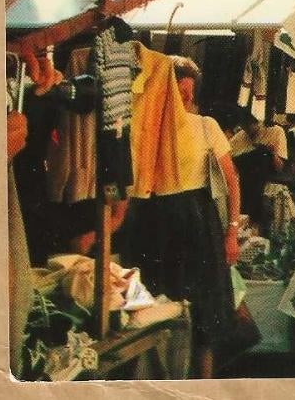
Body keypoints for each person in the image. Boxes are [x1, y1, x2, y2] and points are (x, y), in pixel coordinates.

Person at [126, 56, 241, 379]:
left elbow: (232, 181)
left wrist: (231, 231)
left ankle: (202, 387)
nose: (186, 99)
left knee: (205, 313)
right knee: (158, 306)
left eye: (190, 93)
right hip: (156, 220)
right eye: (180, 94)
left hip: (198, 220)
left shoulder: (207, 127)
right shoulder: (152, 129)